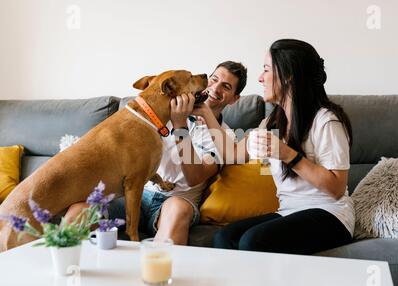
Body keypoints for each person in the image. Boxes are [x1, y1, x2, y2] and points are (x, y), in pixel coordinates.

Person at [192, 39, 354, 255]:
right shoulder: (271, 123)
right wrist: (204, 111)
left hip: (331, 214)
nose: (260, 78)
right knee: (225, 237)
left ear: (288, 75)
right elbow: (231, 154)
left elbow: (336, 188)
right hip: (289, 211)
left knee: (253, 241)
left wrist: (287, 154)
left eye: (266, 70)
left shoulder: (326, 120)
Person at [65, 61, 247, 245]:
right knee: (80, 210)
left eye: (226, 87)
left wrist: (180, 126)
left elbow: (195, 176)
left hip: (174, 201)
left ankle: (156, 272)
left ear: (234, 98)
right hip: (136, 190)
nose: (215, 88)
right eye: (214, 79)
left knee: (177, 209)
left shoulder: (225, 137)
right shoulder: (162, 109)